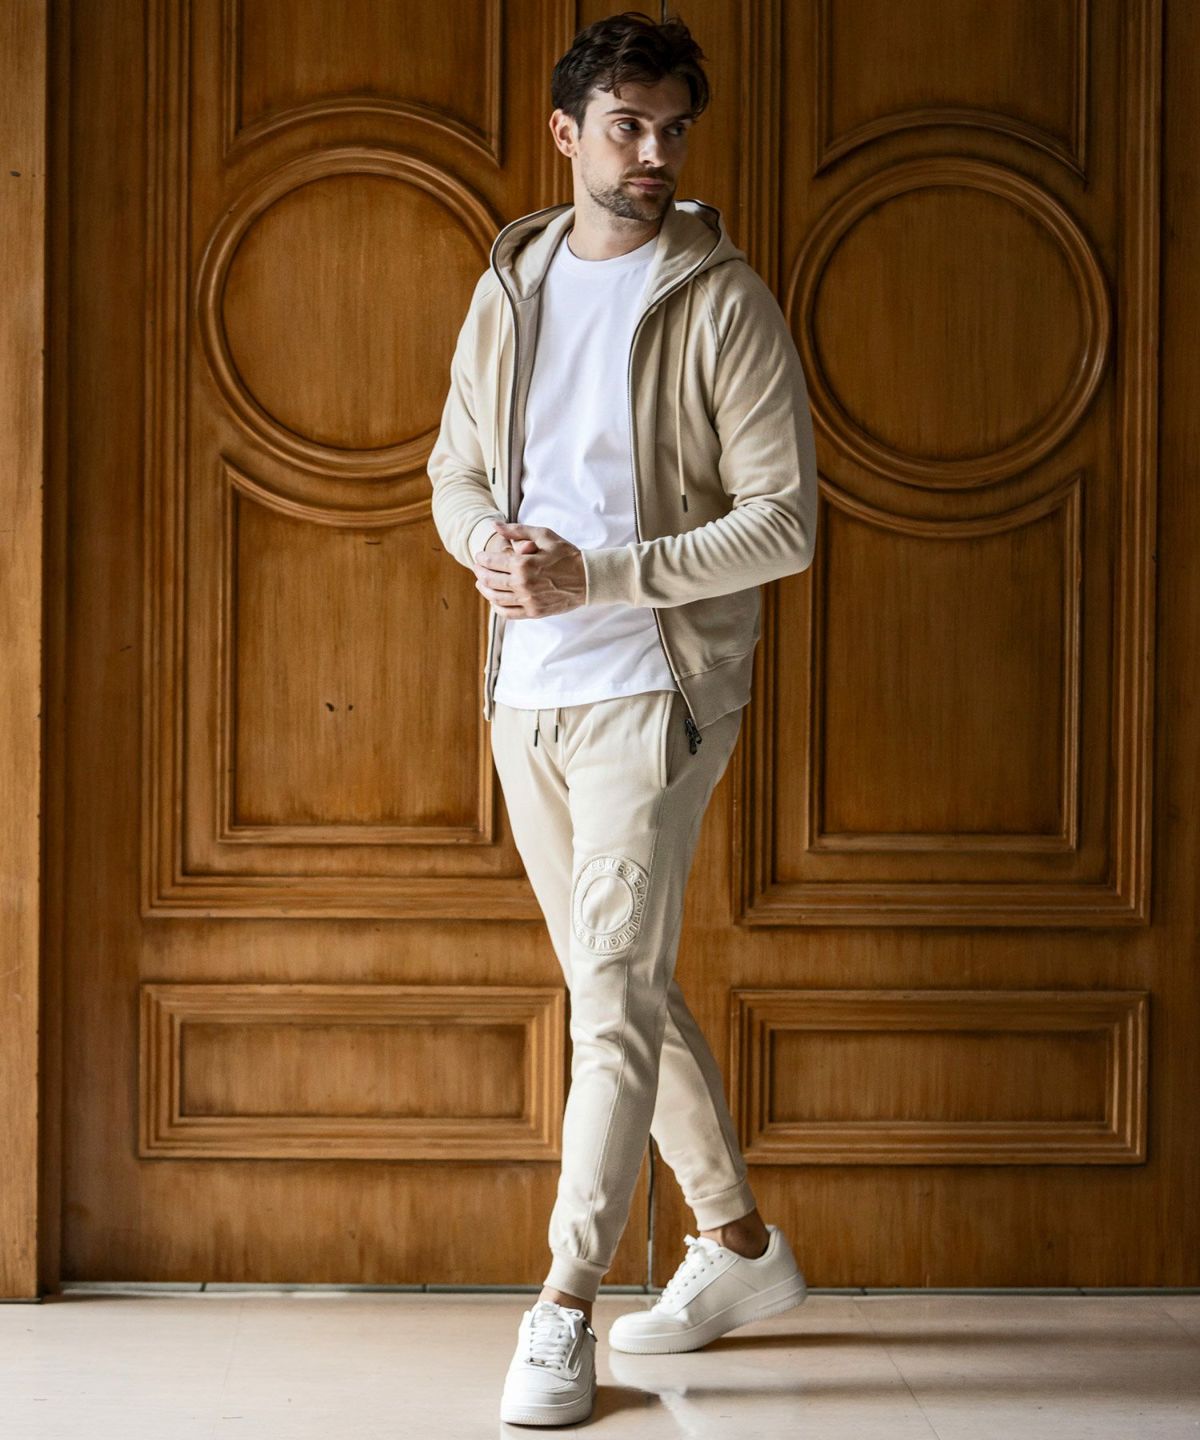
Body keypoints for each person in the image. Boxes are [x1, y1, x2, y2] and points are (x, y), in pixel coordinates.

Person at [427, 9, 818, 1427]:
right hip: (523, 692)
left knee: (608, 1000)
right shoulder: (514, 281)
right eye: (627, 127)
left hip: (653, 691)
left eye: (672, 130)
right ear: (567, 135)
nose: (654, 153)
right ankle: (740, 1248)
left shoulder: (723, 300)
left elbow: (784, 522)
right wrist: (487, 545)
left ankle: (561, 1307)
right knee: (620, 989)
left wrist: (596, 576)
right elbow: (455, 470)